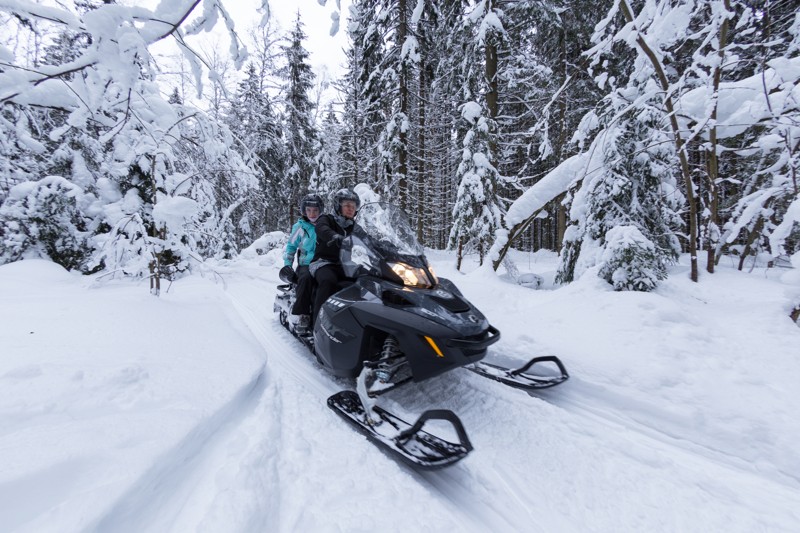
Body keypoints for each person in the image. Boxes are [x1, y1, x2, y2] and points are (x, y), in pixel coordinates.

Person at [309, 188, 361, 322]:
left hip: (345, 265)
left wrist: (386, 245)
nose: (351, 209)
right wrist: (335, 236)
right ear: (338, 206)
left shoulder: (354, 226)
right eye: (347, 205)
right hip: (323, 262)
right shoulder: (327, 219)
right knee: (328, 281)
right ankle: (317, 323)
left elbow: (368, 238)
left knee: (365, 281)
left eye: (353, 206)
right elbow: (321, 228)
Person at [282, 193, 324, 331]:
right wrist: (287, 266)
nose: (312, 213)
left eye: (315, 210)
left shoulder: (325, 225)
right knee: (306, 278)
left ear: (320, 210)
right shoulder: (300, 227)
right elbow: (291, 247)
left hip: (323, 262)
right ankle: (303, 314)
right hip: (306, 264)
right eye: (309, 210)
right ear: (304, 211)